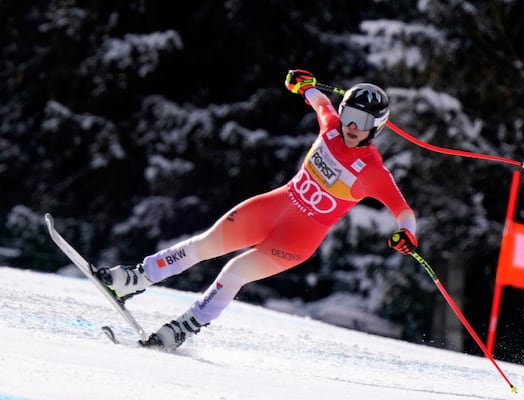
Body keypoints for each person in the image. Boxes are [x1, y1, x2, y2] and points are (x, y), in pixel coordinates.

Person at [96, 69, 419, 350]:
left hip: (296, 240)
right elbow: (320, 101)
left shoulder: (373, 170)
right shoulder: (332, 127)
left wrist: (407, 234)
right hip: (272, 207)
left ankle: (183, 328)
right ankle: (136, 278)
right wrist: (302, 85)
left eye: (363, 122)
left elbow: (404, 211)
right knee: (204, 244)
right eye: (349, 114)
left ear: (377, 127)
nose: (352, 126)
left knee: (234, 273)